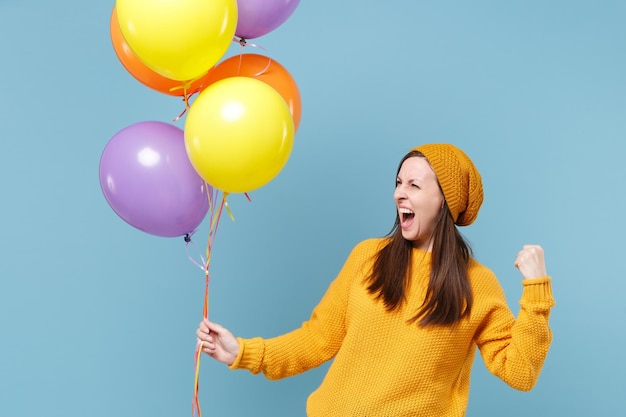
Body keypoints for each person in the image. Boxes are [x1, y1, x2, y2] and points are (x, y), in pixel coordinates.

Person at [196, 143, 556, 416]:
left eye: (414, 185)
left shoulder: (477, 284)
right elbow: (316, 339)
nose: (400, 192)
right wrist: (242, 352)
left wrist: (536, 293)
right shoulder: (369, 257)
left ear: (445, 200)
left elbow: (520, 372)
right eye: (399, 182)